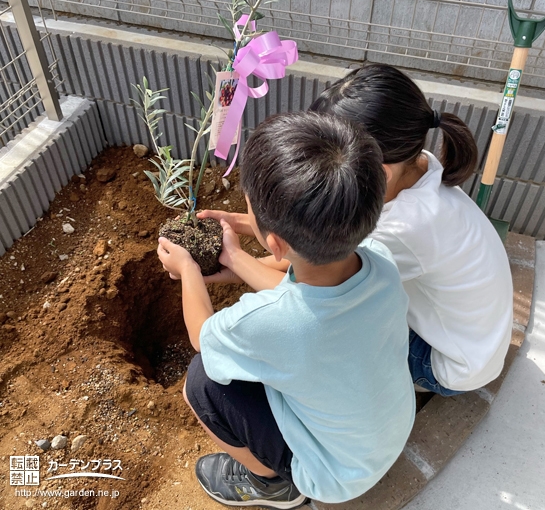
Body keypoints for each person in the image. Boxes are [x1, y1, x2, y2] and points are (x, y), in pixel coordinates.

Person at [158, 111, 415, 508]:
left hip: (332, 475)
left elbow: (201, 338)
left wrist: (188, 270)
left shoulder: (269, 323)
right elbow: (305, 289)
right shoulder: (380, 261)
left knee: (201, 383)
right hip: (386, 435)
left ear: (274, 244)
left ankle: (271, 483)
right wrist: (238, 259)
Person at [308, 63, 513, 396]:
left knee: (333, 326)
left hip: (450, 365)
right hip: (481, 345)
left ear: (381, 173)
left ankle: (401, 388)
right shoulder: (420, 164)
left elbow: (321, 281)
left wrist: (247, 256)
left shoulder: (405, 226)